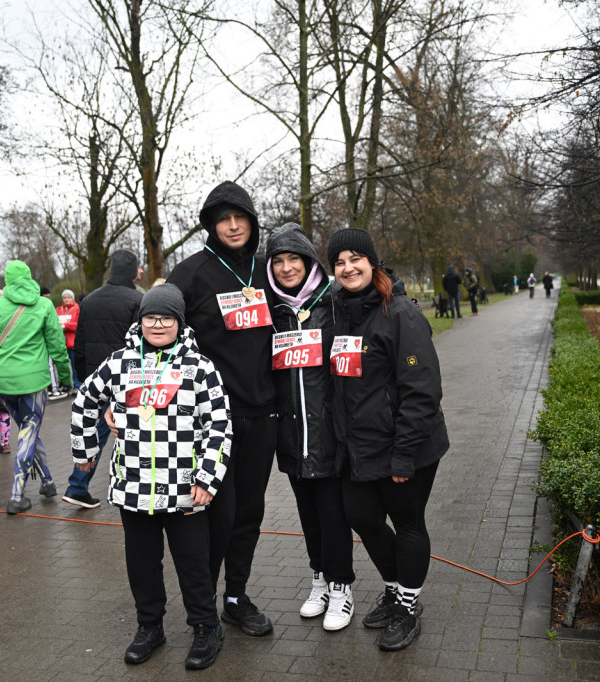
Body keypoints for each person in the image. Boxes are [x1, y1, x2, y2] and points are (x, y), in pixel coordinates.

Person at [71, 284, 231, 670]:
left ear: (180, 322)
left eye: (166, 318)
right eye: (150, 317)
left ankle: (206, 628)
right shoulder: (120, 363)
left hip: (184, 488)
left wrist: (207, 478)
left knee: (193, 564)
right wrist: (84, 452)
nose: (158, 325)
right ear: (140, 321)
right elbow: (84, 400)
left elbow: (219, 424)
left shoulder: (200, 367)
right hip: (134, 487)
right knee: (142, 563)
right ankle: (150, 626)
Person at [327, 228, 448, 652]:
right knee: (363, 518)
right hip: (359, 447)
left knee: (408, 523)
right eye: (339, 262)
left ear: (372, 262)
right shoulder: (340, 313)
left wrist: (404, 455)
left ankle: (408, 607)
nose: (348, 268)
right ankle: (395, 589)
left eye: (355, 258)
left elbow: (423, 391)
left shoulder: (400, 314)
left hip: (406, 446)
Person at [166, 180, 278, 636]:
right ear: (211, 226)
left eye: (240, 218)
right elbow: (154, 335)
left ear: (252, 222)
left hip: (264, 413)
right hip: (211, 421)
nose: (233, 226)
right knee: (216, 514)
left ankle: (236, 597)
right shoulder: (189, 274)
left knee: (249, 512)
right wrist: (124, 399)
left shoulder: (269, 270)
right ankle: (203, 607)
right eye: (223, 220)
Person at [266, 223, 355, 631]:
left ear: (309, 261)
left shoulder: (335, 300)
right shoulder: (270, 310)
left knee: (334, 515)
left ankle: (341, 586)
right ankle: (319, 578)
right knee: (308, 515)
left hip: (329, 431)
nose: (286, 268)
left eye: (294, 259)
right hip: (291, 433)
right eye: (278, 261)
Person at [0, 260, 71, 515]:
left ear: (7, 280)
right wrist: (66, 378)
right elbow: (57, 346)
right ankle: (16, 495)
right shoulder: (44, 305)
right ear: (30, 277)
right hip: (33, 381)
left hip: (1, 382)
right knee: (29, 432)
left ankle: (47, 481)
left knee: (27, 431)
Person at [63, 248, 144, 509]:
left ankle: (79, 486)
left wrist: (84, 378)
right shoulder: (138, 300)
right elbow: (141, 346)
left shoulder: (89, 300)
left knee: (95, 430)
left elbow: (80, 343)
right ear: (132, 271)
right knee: (136, 432)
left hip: (97, 379)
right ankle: (81, 487)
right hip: (128, 379)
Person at [56, 289, 82, 390]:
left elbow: (79, 325)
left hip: (73, 343)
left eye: (68, 297)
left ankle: (77, 385)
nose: (66, 299)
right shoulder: (58, 310)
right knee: (63, 366)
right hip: (61, 343)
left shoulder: (77, 309)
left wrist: (66, 326)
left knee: (75, 367)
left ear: (73, 298)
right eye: (64, 297)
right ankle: (65, 385)